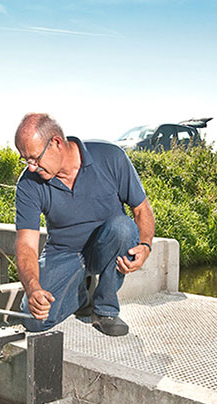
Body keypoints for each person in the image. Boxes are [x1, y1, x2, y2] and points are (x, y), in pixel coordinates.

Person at [14, 113, 155, 336]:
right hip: (63, 253)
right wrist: (33, 288)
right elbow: (26, 245)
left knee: (124, 227)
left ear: (56, 143)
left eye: (34, 158)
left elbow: (142, 210)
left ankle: (105, 309)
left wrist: (146, 245)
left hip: (105, 248)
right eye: (25, 160)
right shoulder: (29, 184)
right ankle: (81, 296)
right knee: (34, 320)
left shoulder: (111, 157)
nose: (31, 167)